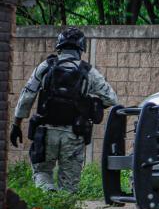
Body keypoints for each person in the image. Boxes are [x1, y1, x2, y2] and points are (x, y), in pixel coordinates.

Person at [9, 27, 118, 193]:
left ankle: (47, 205)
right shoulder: (89, 72)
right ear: (81, 49)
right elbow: (111, 99)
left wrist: (16, 124)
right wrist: (90, 103)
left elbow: (27, 96)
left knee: (43, 173)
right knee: (69, 186)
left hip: (45, 133)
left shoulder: (45, 66)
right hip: (73, 135)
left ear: (59, 46)